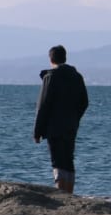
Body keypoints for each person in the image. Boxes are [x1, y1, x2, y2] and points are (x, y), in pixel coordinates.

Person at [33, 45, 89, 194]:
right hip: (71, 126)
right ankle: (69, 193)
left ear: (51, 59)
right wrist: (75, 119)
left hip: (54, 127)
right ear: (65, 57)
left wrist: (37, 131)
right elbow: (84, 102)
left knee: (57, 161)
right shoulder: (77, 76)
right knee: (68, 161)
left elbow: (43, 106)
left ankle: (61, 193)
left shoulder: (50, 77)